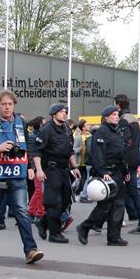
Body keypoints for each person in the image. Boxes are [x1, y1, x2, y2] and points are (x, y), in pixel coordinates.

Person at [0, 90, 45, 263]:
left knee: (21, 211)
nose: (7, 107)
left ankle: (31, 250)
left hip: (16, 174)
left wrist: (31, 166)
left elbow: (27, 146)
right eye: (3, 104)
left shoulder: (20, 122)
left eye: (10, 104)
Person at [77, 106, 129, 246]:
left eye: (117, 114)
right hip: (107, 172)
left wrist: (125, 172)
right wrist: (103, 172)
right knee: (105, 206)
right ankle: (85, 227)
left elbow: (121, 154)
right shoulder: (101, 132)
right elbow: (97, 154)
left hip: (117, 172)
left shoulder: (117, 132)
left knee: (119, 205)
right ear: (106, 117)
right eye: (113, 114)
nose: (117, 116)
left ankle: (114, 237)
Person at [33, 104, 78, 244]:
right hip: (51, 169)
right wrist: (39, 170)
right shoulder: (46, 130)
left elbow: (70, 151)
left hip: (64, 169)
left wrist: (75, 167)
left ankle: (43, 222)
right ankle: (55, 233)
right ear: (53, 114)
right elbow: (36, 151)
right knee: (54, 202)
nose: (64, 114)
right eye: (61, 112)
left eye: (66, 112)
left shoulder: (67, 130)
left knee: (65, 201)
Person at [115, 94, 140, 233]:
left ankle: (116, 221)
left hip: (126, 161)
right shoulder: (133, 119)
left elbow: (125, 142)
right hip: (134, 159)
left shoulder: (123, 120)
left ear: (117, 105)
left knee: (121, 192)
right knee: (133, 192)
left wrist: (122, 161)